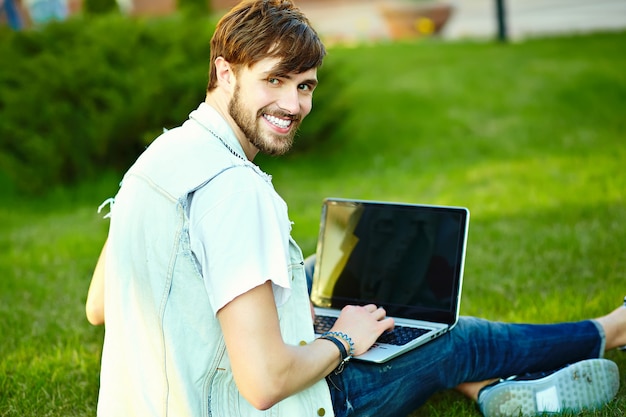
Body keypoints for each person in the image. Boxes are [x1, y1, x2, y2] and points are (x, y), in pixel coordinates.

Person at [85, 1, 625, 416]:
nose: (294, 105)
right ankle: (611, 329)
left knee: (338, 277)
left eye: (305, 86)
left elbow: (99, 307)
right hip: (258, 405)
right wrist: (344, 339)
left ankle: (484, 389)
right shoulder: (235, 190)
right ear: (226, 73)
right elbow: (266, 382)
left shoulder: (159, 158)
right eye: (274, 80)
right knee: (451, 337)